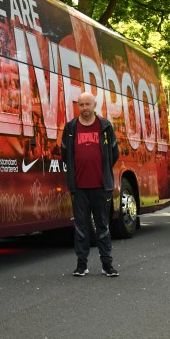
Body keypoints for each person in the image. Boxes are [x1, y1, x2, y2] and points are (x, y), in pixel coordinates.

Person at [59, 91, 121, 277]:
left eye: (88, 104)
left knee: (102, 226)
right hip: (78, 188)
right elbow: (64, 154)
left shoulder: (105, 126)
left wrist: (102, 172)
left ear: (95, 105)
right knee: (80, 227)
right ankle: (81, 265)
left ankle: (107, 265)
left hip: (101, 187)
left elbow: (114, 153)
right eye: (81, 105)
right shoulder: (70, 128)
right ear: (78, 106)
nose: (84, 108)